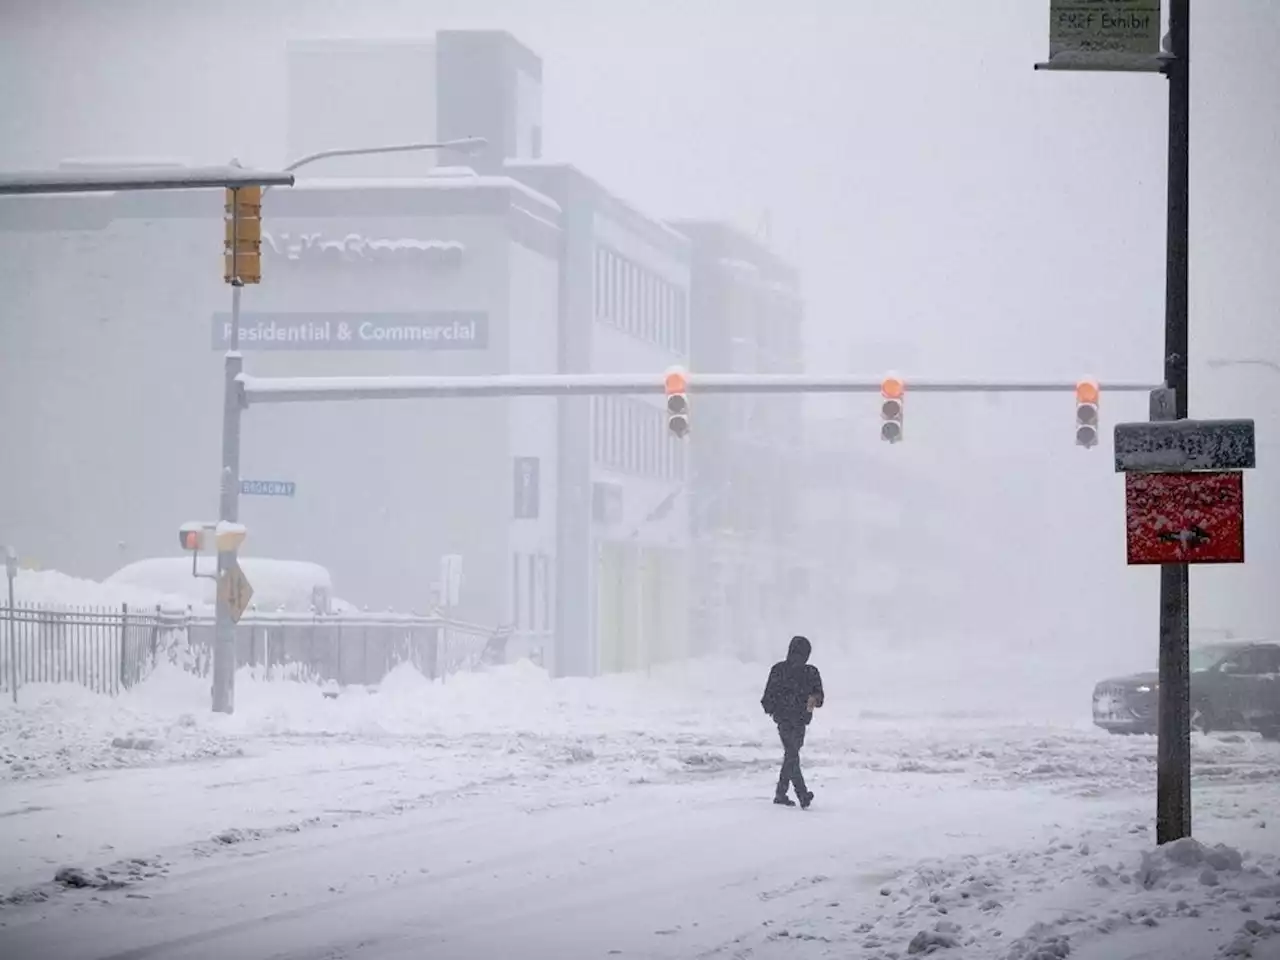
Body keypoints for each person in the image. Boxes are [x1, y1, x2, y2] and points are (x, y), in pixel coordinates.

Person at [760, 635, 824, 809]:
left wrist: (813, 700)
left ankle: (781, 794)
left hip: (796, 721)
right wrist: (776, 709)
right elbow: (767, 699)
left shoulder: (802, 671)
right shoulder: (787, 670)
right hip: (788, 720)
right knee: (792, 754)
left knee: (791, 755)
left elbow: (819, 697)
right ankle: (802, 794)